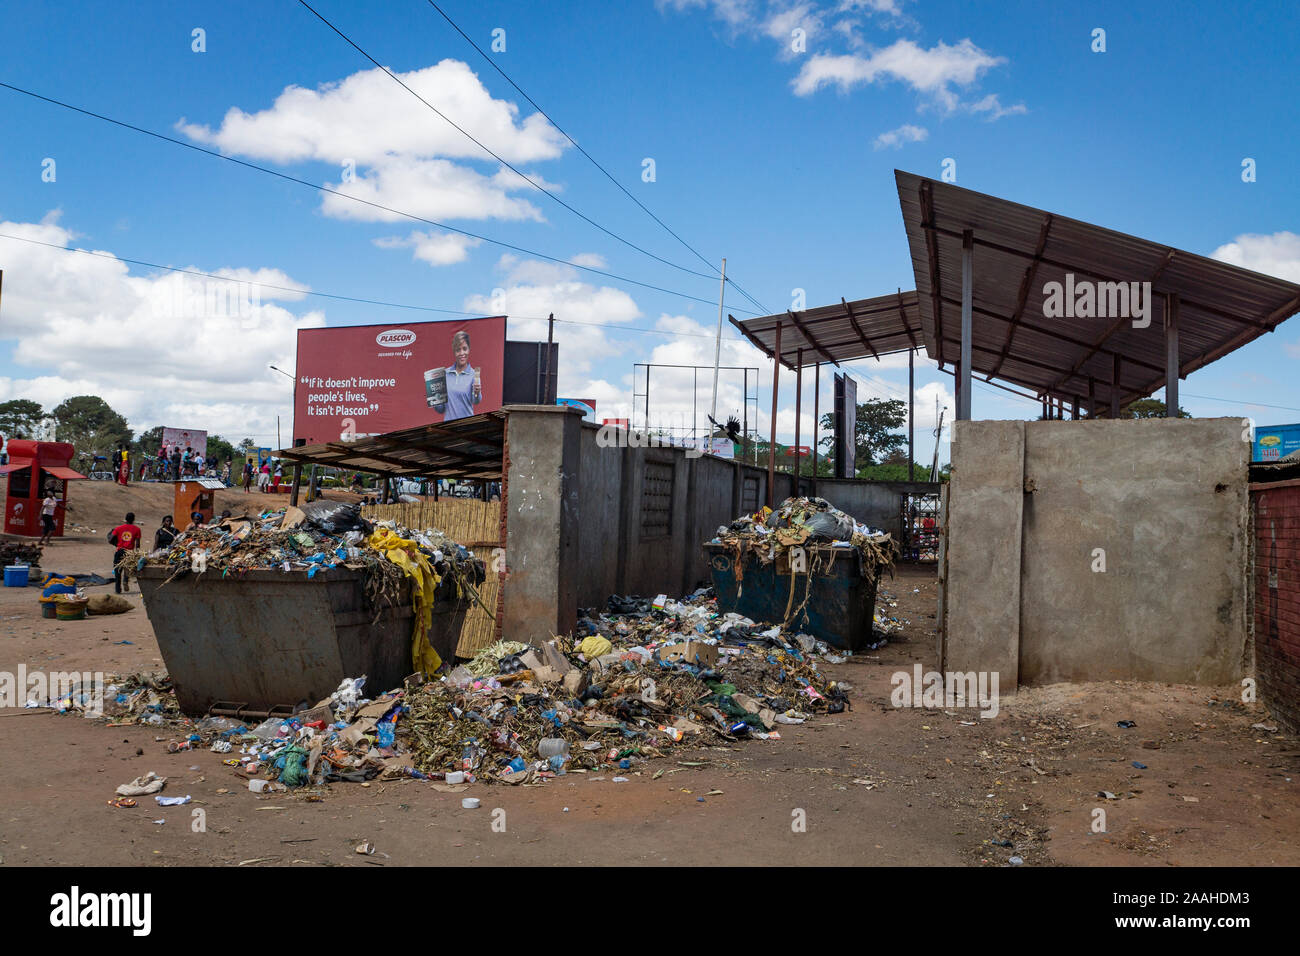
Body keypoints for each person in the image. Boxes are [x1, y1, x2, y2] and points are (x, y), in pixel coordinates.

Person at [431, 330, 482, 422]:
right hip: (448, 428)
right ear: (454, 352)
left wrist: (477, 392)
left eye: (464, 349)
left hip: (467, 426)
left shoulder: (473, 375)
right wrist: (434, 397)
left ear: (469, 349)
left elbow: (475, 401)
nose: (462, 353)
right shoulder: (444, 374)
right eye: (458, 350)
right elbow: (440, 410)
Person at [108, 511, 143, 594]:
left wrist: (116, 543)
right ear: (133, 520)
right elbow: (137, 544)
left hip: (119, 550)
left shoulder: (118, 528)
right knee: (127, 568)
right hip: (129, 552)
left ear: (125, 519)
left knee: (117, 569)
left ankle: (117, 588)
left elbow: (110, 540)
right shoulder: (137, 529)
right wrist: (137, 553)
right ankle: (125, 581)